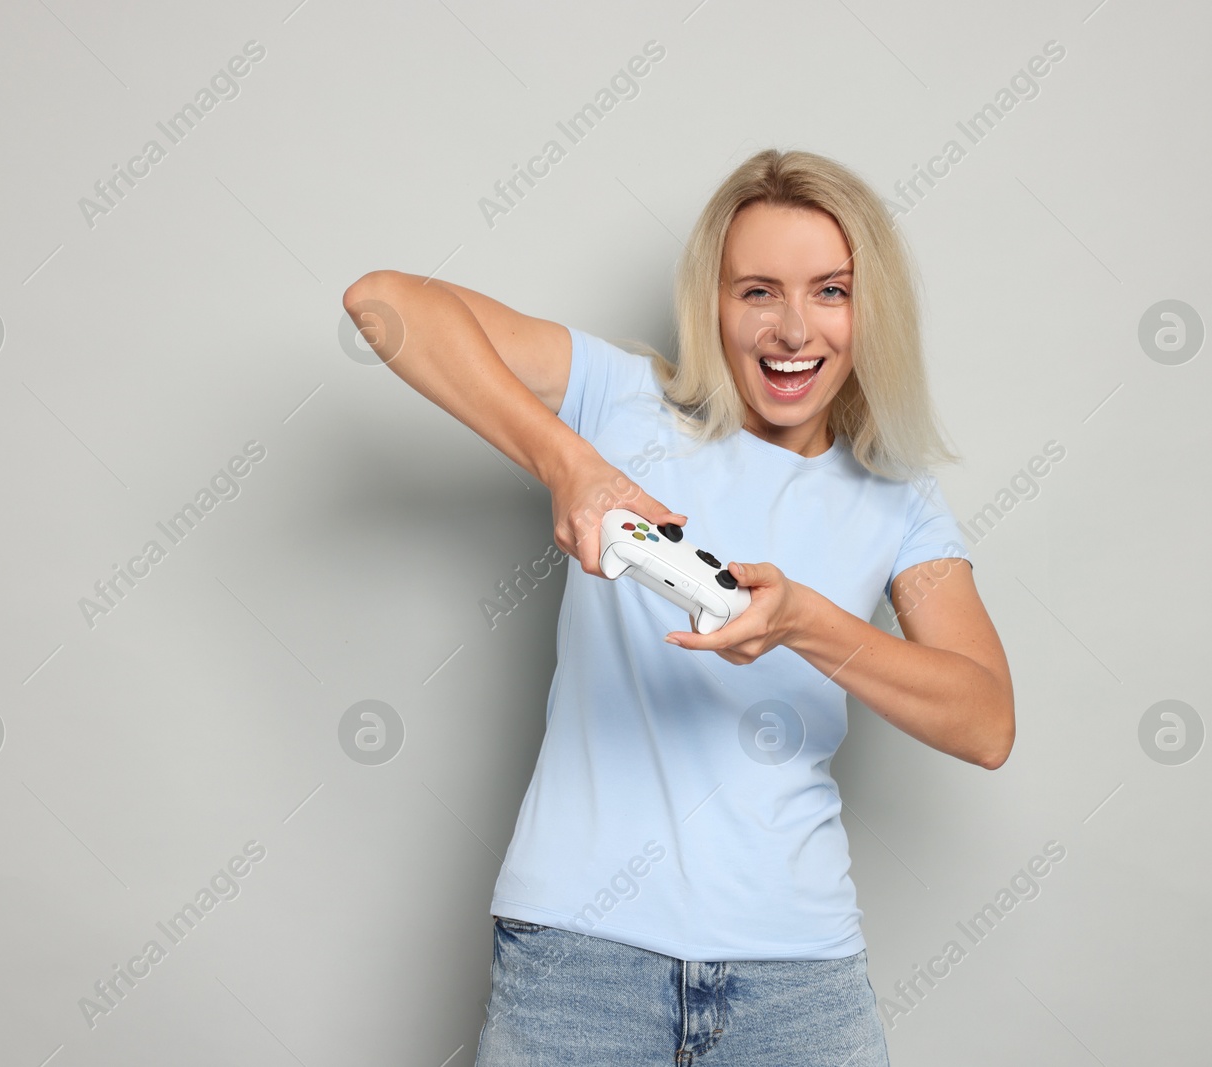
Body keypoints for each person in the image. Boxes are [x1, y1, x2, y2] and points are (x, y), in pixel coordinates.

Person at [343, 148, 1014, 1067]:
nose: (791, 329)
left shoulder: (899, 498)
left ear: (870, 309)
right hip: (578, 962)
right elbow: (384, 303)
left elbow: (985, 722)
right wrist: (569, 463)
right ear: (715, 302)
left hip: (798, 983)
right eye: (756, 292)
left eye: (829, 290)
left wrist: (803, 622)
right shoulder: (621, 399)